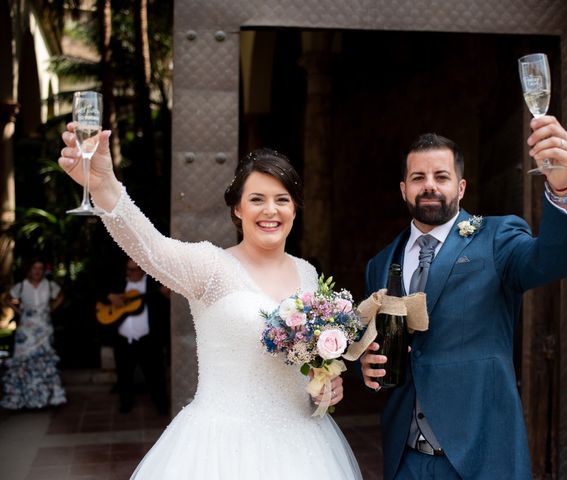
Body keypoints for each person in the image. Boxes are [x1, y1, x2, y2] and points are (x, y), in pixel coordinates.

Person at [59, 127, 362, 479]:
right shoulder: (210, 266)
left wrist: (322, 390)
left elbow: (304, 369)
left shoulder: (308, 274)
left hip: (305, 449)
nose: (271, 210)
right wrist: (102, 184)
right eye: (257, 199)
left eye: (282, 199)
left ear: (295, 208)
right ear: (237, 209)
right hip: (220, 448)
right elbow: (150, 248)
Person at [360, 115, 567, 479]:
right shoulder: (379, 264)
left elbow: (554, 260)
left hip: (480, 455)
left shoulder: (497, 237)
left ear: (461, 187)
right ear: (403, 189)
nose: (429, 186)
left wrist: (561, 190)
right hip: (405, 459)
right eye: (418, 178)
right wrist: (366, 366)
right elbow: (375, 349)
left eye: (442, 176)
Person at [103, 257, 170, 414]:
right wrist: (109, 296)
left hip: (148, 339)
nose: (131, 273)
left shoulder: (153, 284)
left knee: (155, 375)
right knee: (124, 374)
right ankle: (126, 403)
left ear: (142, 269)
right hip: (123, 340)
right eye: (128, 269)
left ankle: (161, 405)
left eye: (135, 269)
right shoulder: (119, 284)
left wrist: (165, 294)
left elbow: (165, 300)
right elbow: (99, 293)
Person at [1, 258, 67, 409]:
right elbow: (7, 297)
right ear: (29, 270)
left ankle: (46, 398)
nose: (37, 272)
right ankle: (23, 399)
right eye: (34, 268)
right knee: (24, 360)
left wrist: (51, 309)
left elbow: (60, 296)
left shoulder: (49, 285)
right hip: (26, 331)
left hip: (44, 329)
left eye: (40, 268)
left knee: (44, 360)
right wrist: (19, 311)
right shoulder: (22, 286)